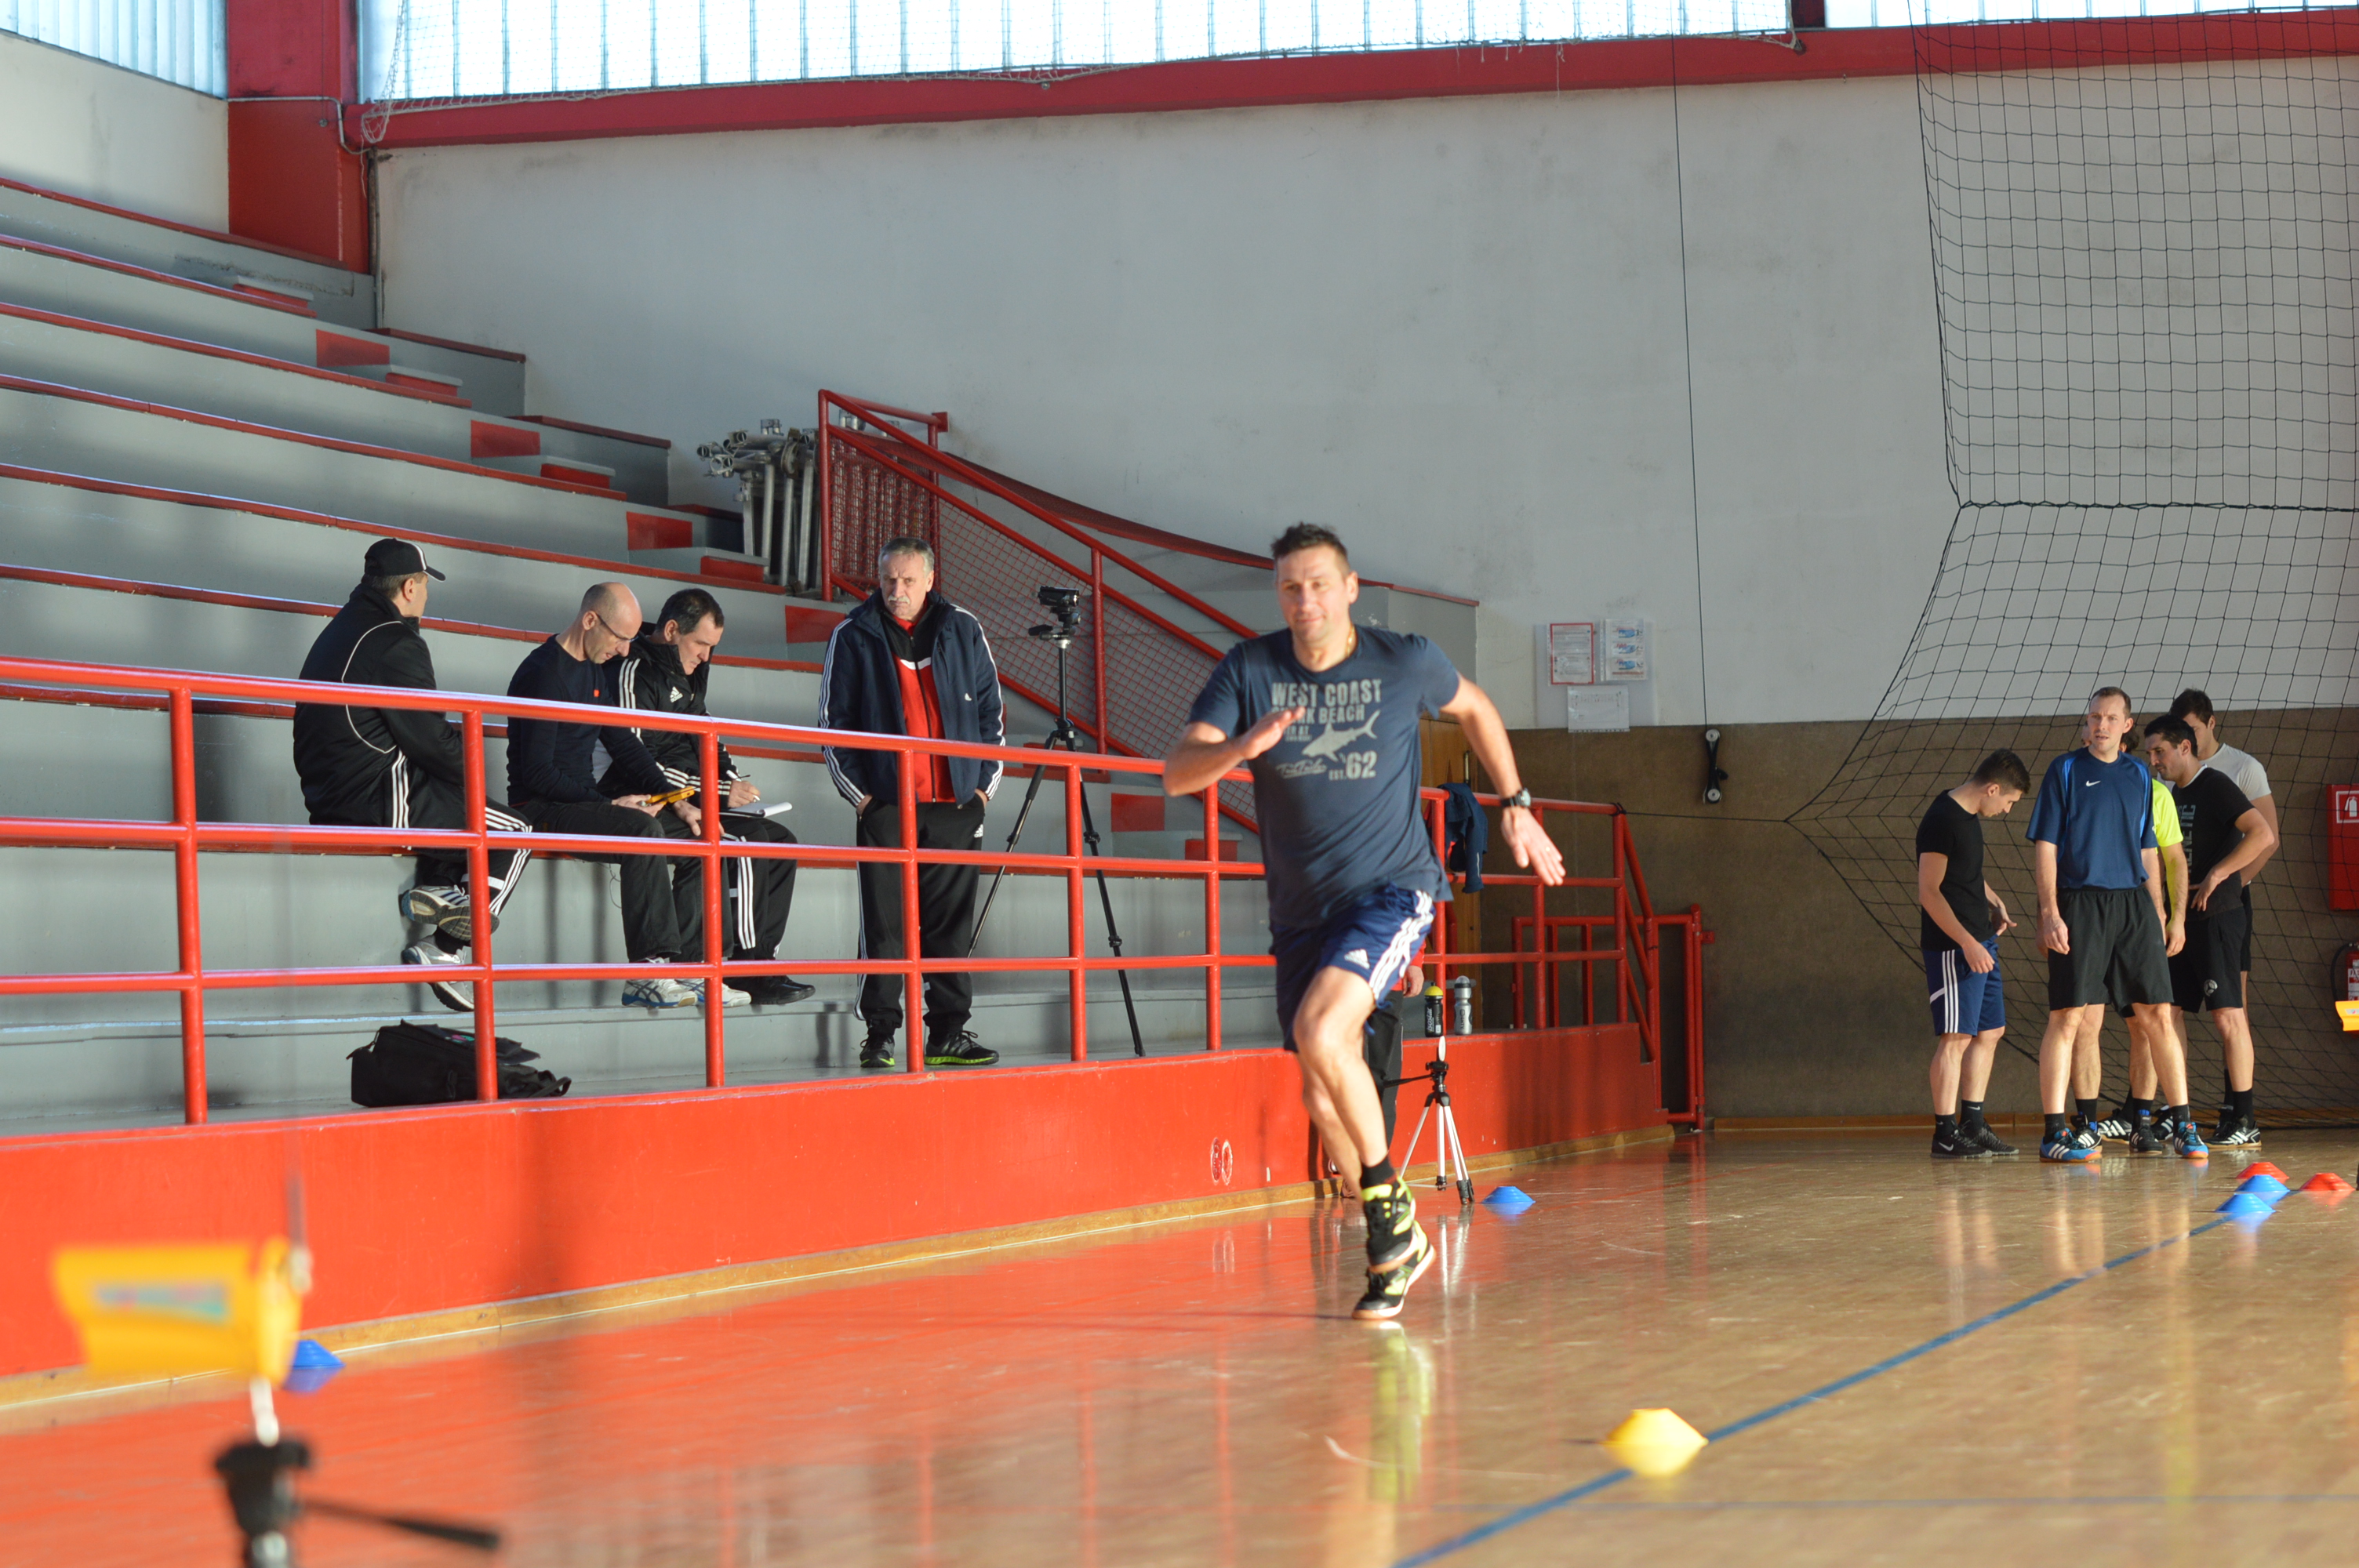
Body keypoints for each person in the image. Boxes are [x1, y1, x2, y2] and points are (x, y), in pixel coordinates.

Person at [1164, 523, 1565, 1321]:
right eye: (1290, 587)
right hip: (1300, 911)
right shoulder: (1249, 669)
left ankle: (1385, 1213)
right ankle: (1398, 1241)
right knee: (1321, 1090)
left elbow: (1475, 707)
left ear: (1349, 589)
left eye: (1319, 584)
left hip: (1391, 888)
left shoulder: (1401, 659)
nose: (1305, 600)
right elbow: (1178, 772)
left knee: (1322, 1032)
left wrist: (1515, 803)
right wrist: (1242, 746)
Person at [292, 539, 532, 1012]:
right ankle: (444, 949)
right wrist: (474, 773)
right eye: (424, 585)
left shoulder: (341, 629)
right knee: (515, 831)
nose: (426, 595)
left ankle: (443, 886)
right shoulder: (394, 641)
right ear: (408, 588)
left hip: (332, 792)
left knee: (456, 793)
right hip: (375, 795)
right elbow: (432, 741)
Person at [507, 583, 740, 1011]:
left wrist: (676, 800)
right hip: (541, 807)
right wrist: (607, 805)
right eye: (619, 638)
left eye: (631, 640)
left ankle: (697, 969)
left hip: (582, 801)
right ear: (590, 620)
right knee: (642, 829)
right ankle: (649, 970)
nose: (625, 650)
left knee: (701, 836)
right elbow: (537, 773)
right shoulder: (543, 673)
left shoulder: (594, 669)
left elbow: (624, 744)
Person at [819, 538, 1005, 1070]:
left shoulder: (964, 628)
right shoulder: (853, 634)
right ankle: (879, 1035)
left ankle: (947, 1033)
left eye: (906, 580)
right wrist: (864, 801)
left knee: (951, 928)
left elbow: (991, 714)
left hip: (955, 807)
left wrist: (980, 792)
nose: (896, 590)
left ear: (929, 579)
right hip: (886, 809)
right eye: (888, 580)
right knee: (885, 928)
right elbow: (833, 725)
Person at [606, 588, 812, 1007]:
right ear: (671, 631)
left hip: (693, 795)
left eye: (711, 647)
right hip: (647, 798)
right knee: (745, 842)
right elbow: (635, 757)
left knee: (782, 842)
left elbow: (707, 735)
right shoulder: (633, 670)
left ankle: (761, 958)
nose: (705, 656)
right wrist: (718, 790)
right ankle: (747, 968)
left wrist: (731, 779)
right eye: (700, 644)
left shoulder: (691, 669)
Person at [2027, 687, 2203, 1163]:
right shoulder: (2064, 770)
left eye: (2110, 718)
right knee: (2069, 1017)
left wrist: (2158, 911)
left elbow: (2149, 850)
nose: (2100, 725)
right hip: (2080, 903)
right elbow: (2046, 847)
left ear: (2126, 725)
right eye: (2094, 717)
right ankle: (2056, 1131)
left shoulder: (2140, 775)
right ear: (2087, 724)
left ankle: (2185, 1125)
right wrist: (2049, 913)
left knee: (2158, 1014)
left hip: (2133, 907)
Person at [2146, 714, 2278, 1149]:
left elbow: (2263, 834)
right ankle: (2176, 1111)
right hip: (2182, 920)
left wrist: (2220, 873)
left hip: (2218, 917)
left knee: (2227, 1015)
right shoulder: (2170, 793)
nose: (2153, 761)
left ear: (2185, 747)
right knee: (2169, 1012)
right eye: (2149, 753)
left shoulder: (2216, 784)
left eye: (2160, 751)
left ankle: (2245, 1117)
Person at [1914, 750, 2029, 1160]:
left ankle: (1973, 1124)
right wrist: (1966, 941)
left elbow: (1965, 874)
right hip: (1954, 947)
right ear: (1992, 789)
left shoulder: (1968, 816)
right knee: (1956, 1038)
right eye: (2009, 801)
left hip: (1981, 941)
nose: (2007, 809)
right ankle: (1945, 1133)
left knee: (1990, 1031)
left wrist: (1993, 898)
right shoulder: (1941, 821)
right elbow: (1929, 892)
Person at [2081, 742, 2187, 1146]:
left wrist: (2170, 916)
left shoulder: (2153, 791)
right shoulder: (2076, 781)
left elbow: (2168, 858)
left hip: (2137, 918)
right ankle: (2086, 1125)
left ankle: (2142, 1121)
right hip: (2090, 912)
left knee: (2150, 1020)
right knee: (2084, 1021)